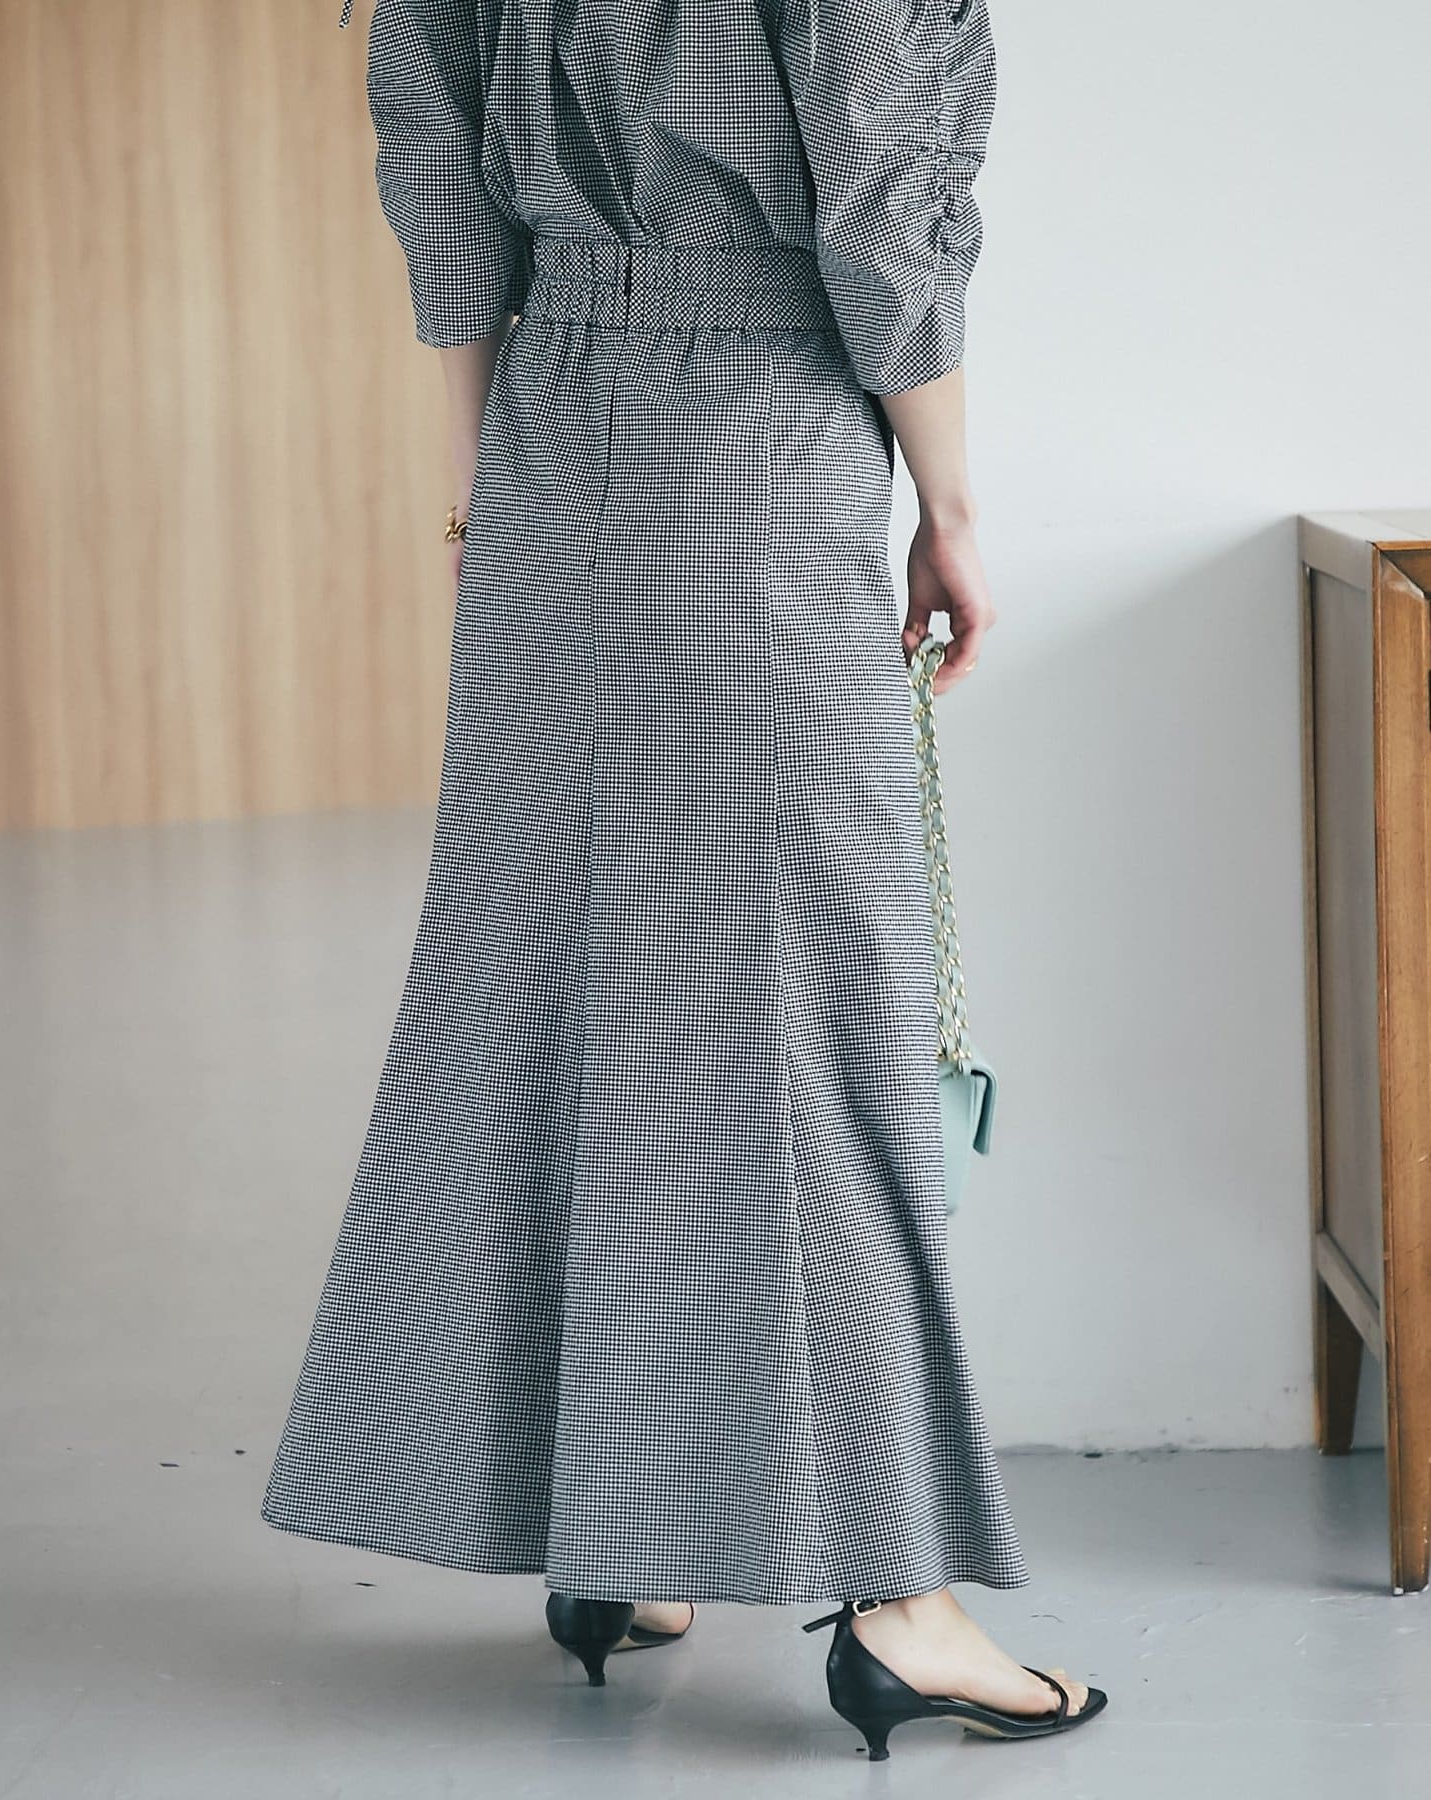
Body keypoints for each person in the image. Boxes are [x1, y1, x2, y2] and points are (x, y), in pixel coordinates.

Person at [261, 0, 1106, 1760]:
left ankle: (624, 1536)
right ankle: (899, 1602)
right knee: (813, 1041)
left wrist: (484, 484)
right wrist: (950, 510)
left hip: (545, 460)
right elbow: (879, 209)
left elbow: (443, 193)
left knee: (581, 1008)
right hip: (755, 455)